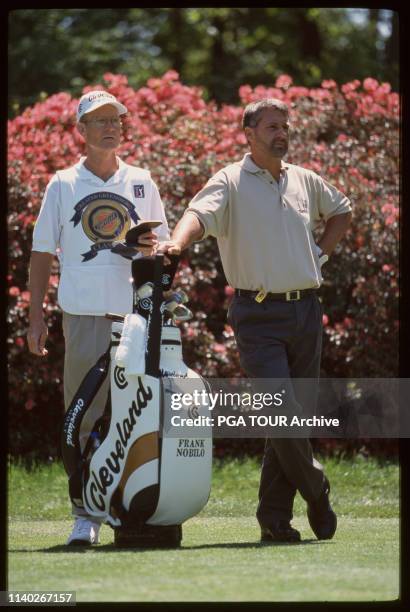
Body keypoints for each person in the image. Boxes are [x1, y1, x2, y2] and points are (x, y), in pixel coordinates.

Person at [159, 98, 352, 542]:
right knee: (282, 413)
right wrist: (176, 243)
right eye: (271, 126)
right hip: (257, 314)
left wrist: (320, 255)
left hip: (306, 310)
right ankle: (316, 488)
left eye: (285, 126)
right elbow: (196, 216)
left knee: (287, 419)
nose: (281, 133)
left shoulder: (304, 179)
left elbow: (341, 211)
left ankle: (275, 522)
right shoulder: (229, 180)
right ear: (248, 133)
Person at [27, 90, 169, 546]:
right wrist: (36, 318)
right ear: (81, 130)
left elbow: (163, 247)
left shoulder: (143, 181)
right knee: (83, 416)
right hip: (85, 315)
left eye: (117, 119)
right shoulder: (63, 183)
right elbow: (42, 254)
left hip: (137, 319)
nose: (111, 126)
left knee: (134, 416)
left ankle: (129, 509)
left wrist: (153, 251)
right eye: (100, 120)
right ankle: (84, 515)